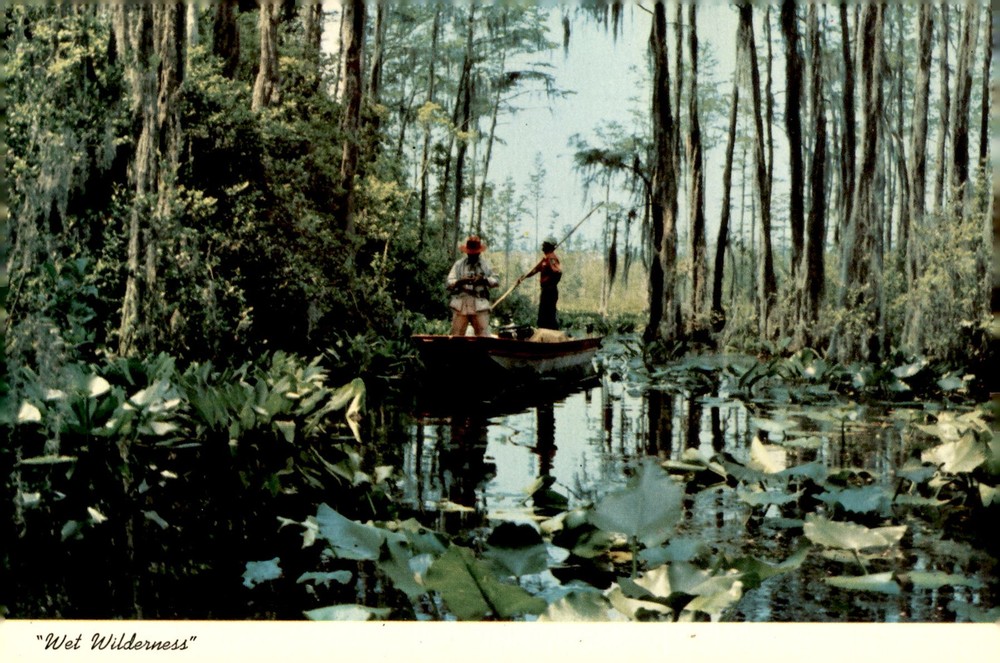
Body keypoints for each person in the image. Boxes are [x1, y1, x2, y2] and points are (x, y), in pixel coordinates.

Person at [446, 235, 499, 336]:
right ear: (467, 252)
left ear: (479, 252)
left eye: (475, 253)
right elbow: (448, 282)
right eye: (470, 253)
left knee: (483, 336)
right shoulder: (458, 264)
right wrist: (460, 281)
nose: (472, 255)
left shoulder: (486, 264)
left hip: (480, 303)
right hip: (461, 304)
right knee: (456, 335)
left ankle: (481, 352)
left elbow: (496, 280)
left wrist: (483, 280)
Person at [523, 236, 562, 329]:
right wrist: (524, 277)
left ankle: (553, 336)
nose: (542, 247)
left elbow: (558, 272)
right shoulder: (545, 259)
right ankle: (543, 335)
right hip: (545, 291)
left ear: (549, 246)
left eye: (544, 245)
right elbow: (535, 270)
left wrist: (551, 284)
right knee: (542, 316)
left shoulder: (552, 258)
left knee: (549, 315)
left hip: (550, 291)